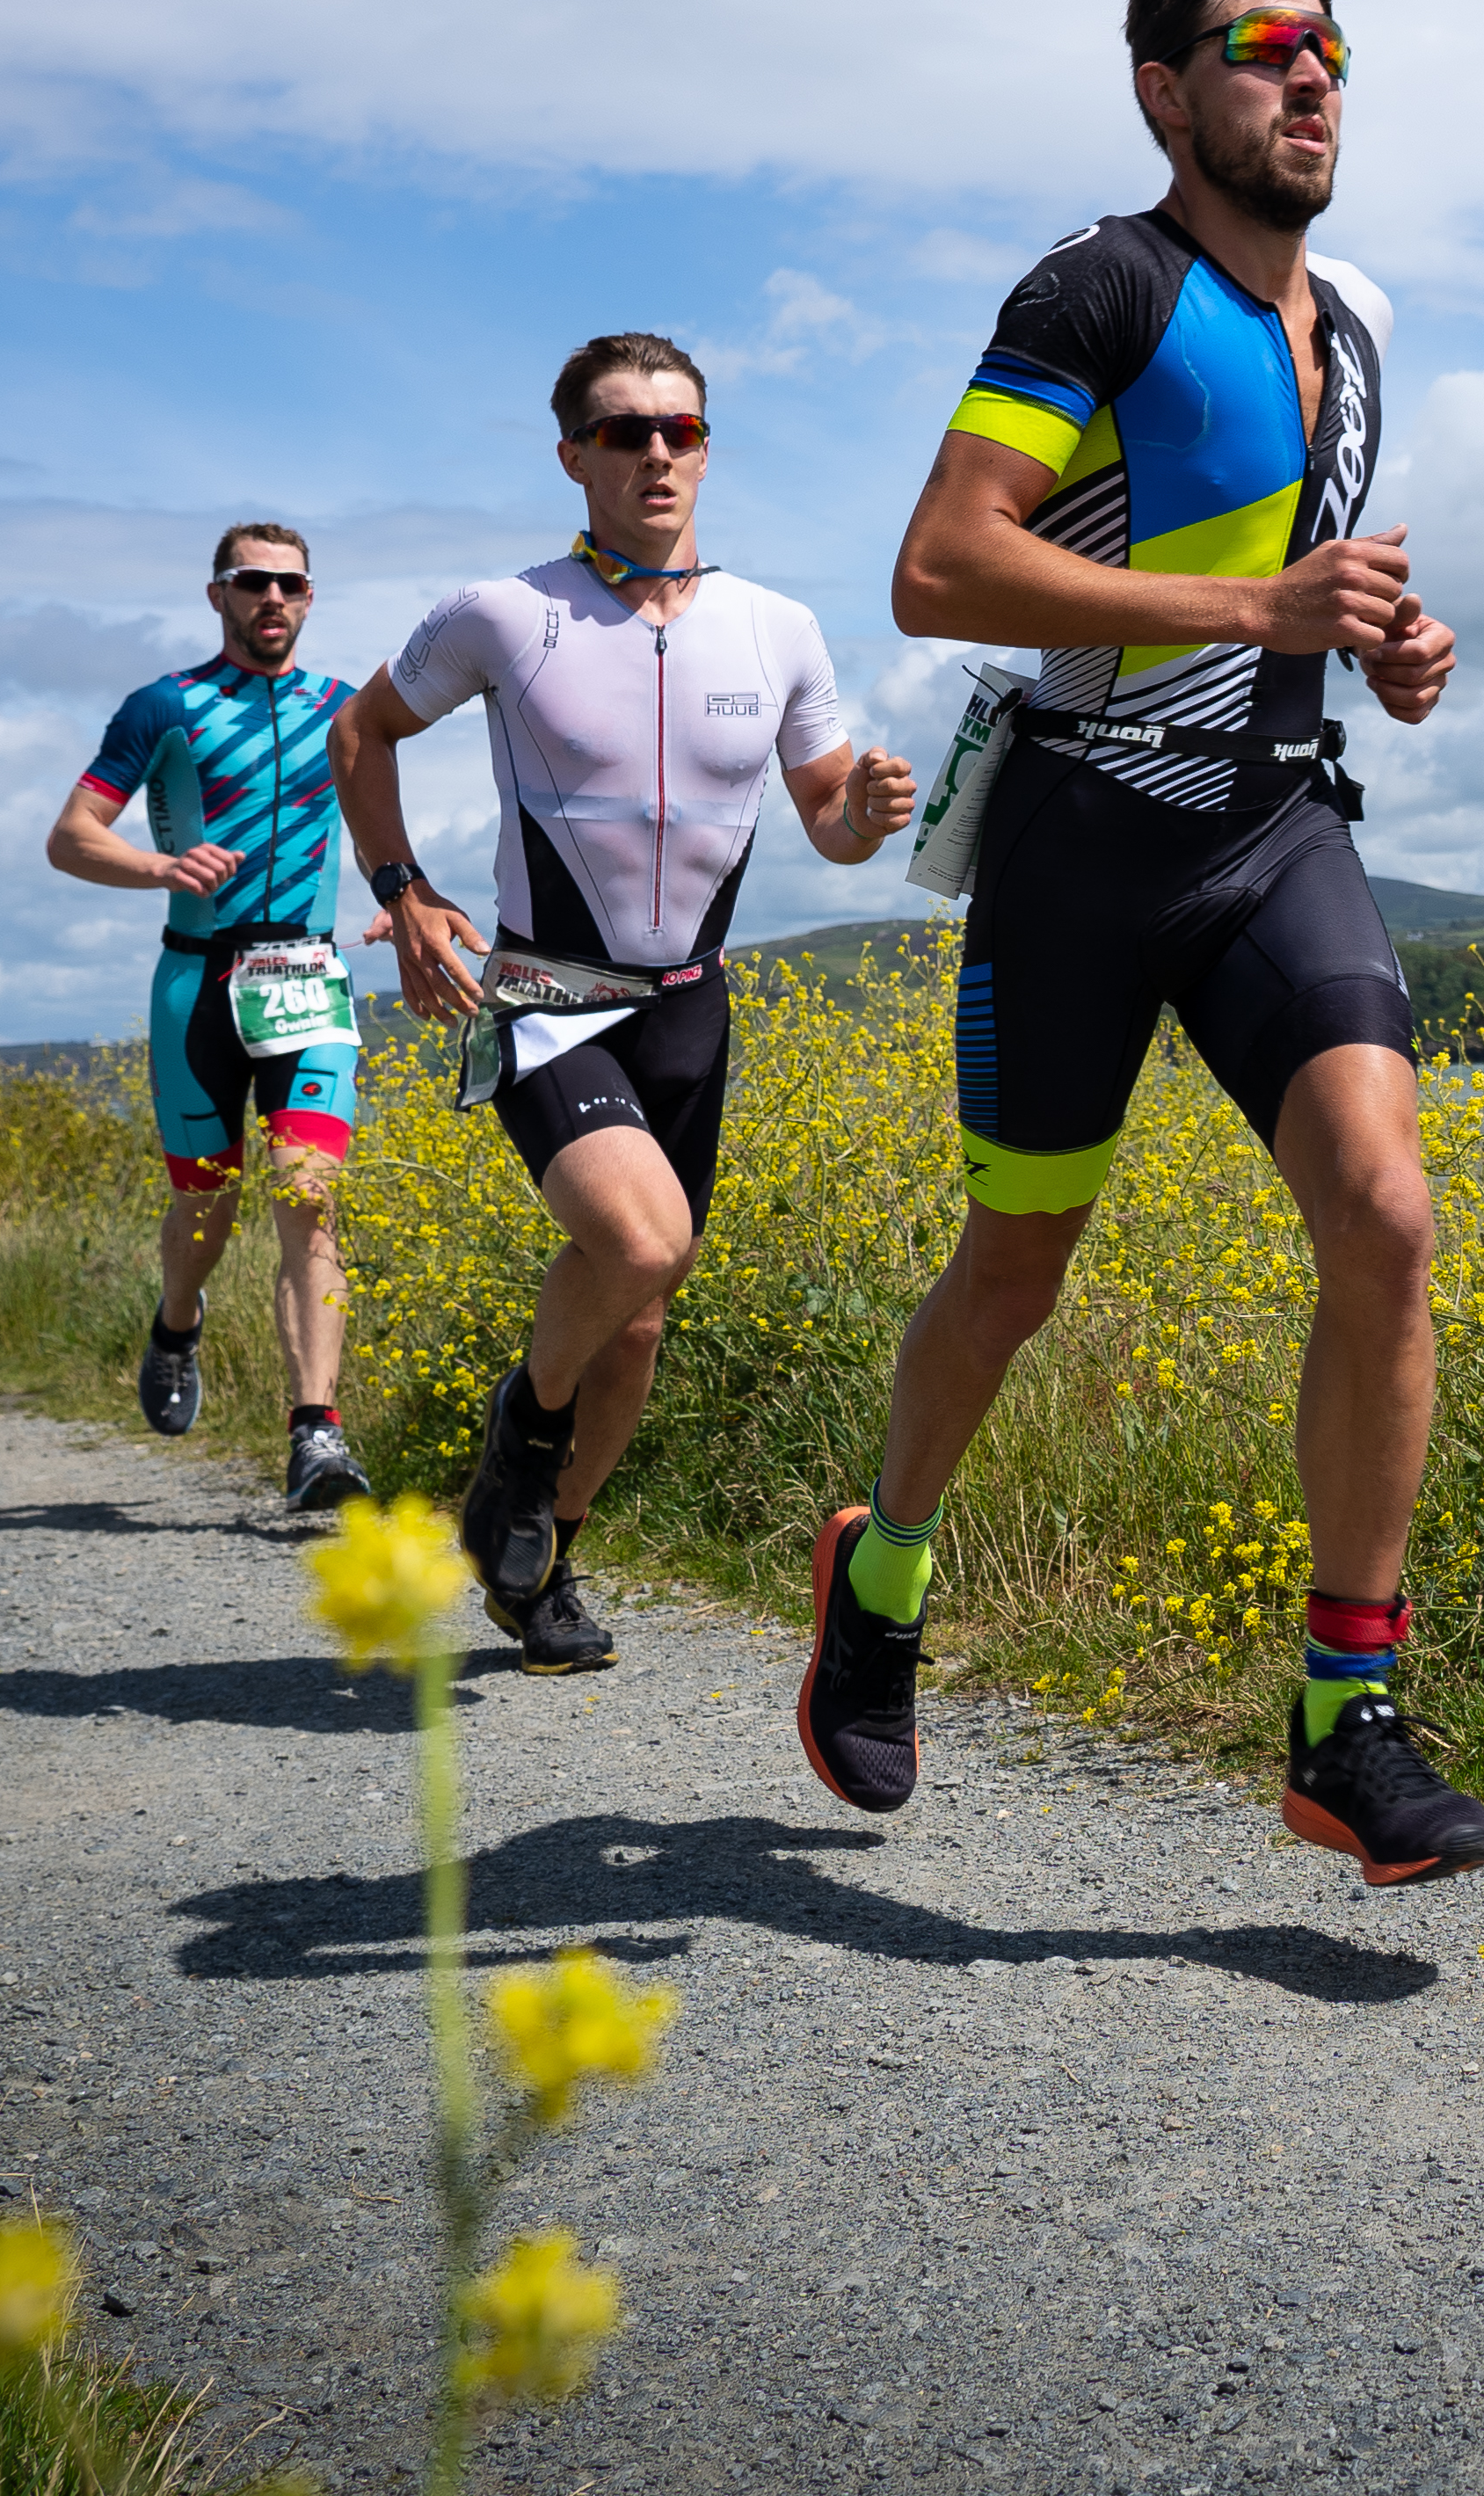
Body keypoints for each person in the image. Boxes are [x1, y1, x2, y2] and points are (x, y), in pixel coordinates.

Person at [803, 0, 1484, 1886]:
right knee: (1013, 1276)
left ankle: (1343, 1716)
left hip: (1276, 827)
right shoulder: (1102, 283)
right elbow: (943, 569)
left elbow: (1289, 582)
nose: (1310, 77)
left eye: (1330, 47)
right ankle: (889, 1570)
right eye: (1261, 47)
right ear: (1164, 89)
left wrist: (1385, 641)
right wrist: (1255, 609)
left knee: (1386, 1212)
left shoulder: (1350, 318)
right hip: (1083, 842)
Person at [333, 335, 916, 1673]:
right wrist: (409, 892)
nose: (657, 452)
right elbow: (359, 734)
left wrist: (867, 816)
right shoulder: (503, 612)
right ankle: (516, 1452)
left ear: (706, 448)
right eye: (624, 431)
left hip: (689, 1005)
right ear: (573, 457)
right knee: (641, 1244)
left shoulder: (778, 627)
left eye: (681, 430)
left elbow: (827, 817)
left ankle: (542, 1563)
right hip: (542, 988)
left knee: (640, 1312)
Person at [46, 523, 375, 1513]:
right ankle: (177, 1322)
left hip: (306, 976)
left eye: (291, 584)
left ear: (310, 598)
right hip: (197, 981)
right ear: (218, 593)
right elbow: (69, 838)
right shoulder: (165, 706)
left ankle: (316, 1432)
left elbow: (374, 827)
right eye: (252, 582)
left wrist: (405, 902)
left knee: (308, 1194)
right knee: (206, 1202)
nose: (272, 598)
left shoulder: (343, 710)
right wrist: (159, 866)